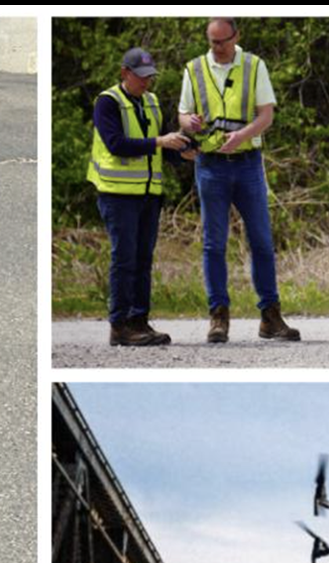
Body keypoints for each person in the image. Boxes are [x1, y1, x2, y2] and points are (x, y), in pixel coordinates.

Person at [178, 17, 299, 344]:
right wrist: (187, 121)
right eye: (212, 42)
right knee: (213, 243)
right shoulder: (194, 69)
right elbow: (182, 113)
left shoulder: (254, 66)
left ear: (236, 37)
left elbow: (266, 115)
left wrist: (242, 135)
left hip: (247, 163)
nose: (216, 49)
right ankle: (218, 317)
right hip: (210, 165)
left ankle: (270, 316)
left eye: (222, 42)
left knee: (261, 240)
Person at [87, 47, 196, 346]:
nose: (147, 83)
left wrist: (183, 152)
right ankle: (119, 325)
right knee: (124, 259)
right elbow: (116, 144)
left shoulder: (151, 101)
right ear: (125, 73)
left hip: (149, 194)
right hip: (117, 195)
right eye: (142, 77)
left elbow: (160, 146)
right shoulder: (108, 102)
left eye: (150, 77)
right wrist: (161, 141)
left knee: (142, 260)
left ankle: (139, 321)